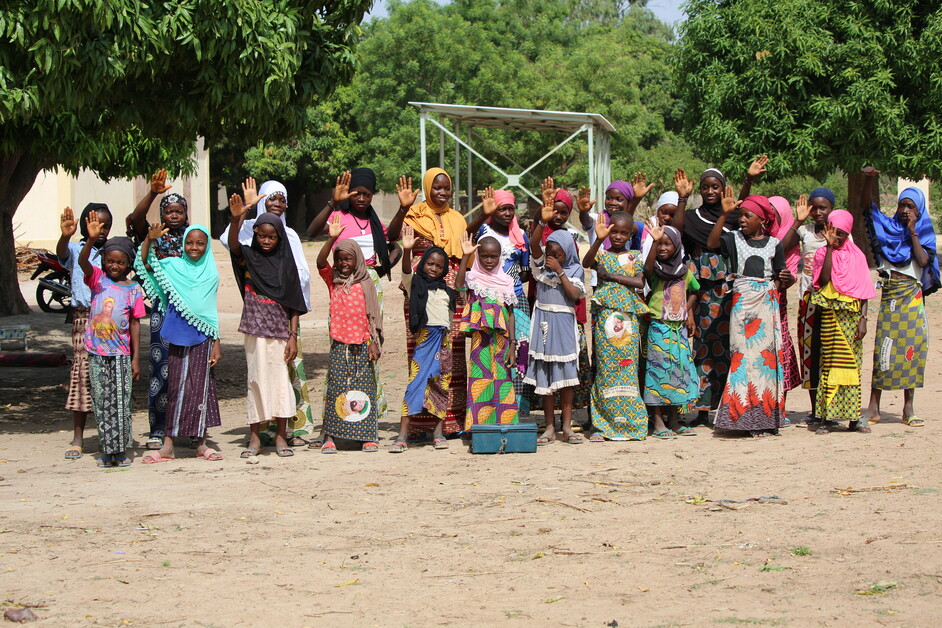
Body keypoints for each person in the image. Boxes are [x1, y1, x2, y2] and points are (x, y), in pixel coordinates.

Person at [305, 168, 404, 444]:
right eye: (356, 193)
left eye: (367, 194)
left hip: (368, 285)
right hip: (342, 286)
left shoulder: (374, 222)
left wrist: (378, 272)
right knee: (339, 359)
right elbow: (312, 232)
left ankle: (363, 421)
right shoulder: (340, 216)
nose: (361, 198)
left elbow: (394, 244)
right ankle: (333, 423)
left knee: (368, 354)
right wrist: (332, 203)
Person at [222, 178, 315, 447]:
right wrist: (240, 216)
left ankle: (282, 437)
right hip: (254, 329)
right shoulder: (249, 257)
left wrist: (293, 336)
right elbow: (234, 245)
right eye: (261, 235)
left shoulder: (286, 266)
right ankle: (254, 438)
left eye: (271, 236)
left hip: (280, 332)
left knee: (280, 383)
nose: (265, 240)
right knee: (255, 380)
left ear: (280, 237)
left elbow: (295, 304)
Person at [682, 156, 767, 426]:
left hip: (729, 287)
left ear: (722, 188)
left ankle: (729, 403)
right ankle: (703, 410)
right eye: (705, 187)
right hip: (700, 289)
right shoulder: (690, 217)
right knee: (704, 347)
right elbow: (677, 230)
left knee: (732, 347)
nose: (710, 191)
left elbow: (736, 206)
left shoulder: (732, 216)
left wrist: (749, 179)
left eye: (715, 187)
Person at [136, 224, 223, 462]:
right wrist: (149, 240)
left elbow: (210, 311)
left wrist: (216, 343)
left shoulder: (211, 273)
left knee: (202, 389)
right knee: (175, 388)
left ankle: (202, 444)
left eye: (200, 243)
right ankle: (168, 446)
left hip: (203, 337)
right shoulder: (172, 266)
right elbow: (144, 264)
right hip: (176, 335)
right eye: (189, 243)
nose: (194, 248)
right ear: (183, 244)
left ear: (207, 247)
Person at [863, 168, 940, 427]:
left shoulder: (923, 233)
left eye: (910, 206)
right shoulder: (887, 230)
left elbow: (923, 260)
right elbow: (868, 208)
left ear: (918, 210)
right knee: (882, 352)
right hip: (891, 298)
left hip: (912, 300)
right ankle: (874, 408)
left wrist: (913, 230)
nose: (905, 210)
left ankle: (908, 409)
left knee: (912, 352)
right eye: (902, 205)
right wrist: (869, 180)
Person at [396, 168, 468, 437]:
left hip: (450, 293)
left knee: (451, 360)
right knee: (420, 360)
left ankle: (450, 423)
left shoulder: (458, 218)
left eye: (446, 188)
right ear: (428, 188)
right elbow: (396, 236)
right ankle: (417, 425)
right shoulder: (414, 215)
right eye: (436, 187)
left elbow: (463, 253)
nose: (442, 192)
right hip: (417, 288)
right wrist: (403, 209)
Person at [707, 189, 786, 437]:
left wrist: (787, 278)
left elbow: (782, 276)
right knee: (742, 358)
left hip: (767, 305)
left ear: (762, 219)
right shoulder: (733, 239)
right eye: (740, 215)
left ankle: (765, 419)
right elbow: (711, 244)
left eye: (747, 215)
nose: (742, 220)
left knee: (765, 360)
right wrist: (724, 214)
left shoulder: (775, 244)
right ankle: (741, 418)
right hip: (742, 305)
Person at [79, 213, 146, 467]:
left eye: (119, 262)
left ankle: (121, 451)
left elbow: (136, 324)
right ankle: (107, 450)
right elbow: (83, 261)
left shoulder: (133, 290)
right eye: (109, 261)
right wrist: (91, 240)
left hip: (120, 355)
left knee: (120, 402)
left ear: (128, 264)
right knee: (101, 400)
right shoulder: (97, 280)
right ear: (104, 262)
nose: (114, 266)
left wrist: (135, 358)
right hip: (97, 353)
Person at [128, 169, 187, 450]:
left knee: (188, 371)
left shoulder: (193, 239)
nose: (174, 215)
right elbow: (135, 220)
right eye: (169, 211)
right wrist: (153, 193)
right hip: (163, 312)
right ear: (163, 213)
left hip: (189, 314)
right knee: (161, 370)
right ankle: (158, 429)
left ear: (186, 215)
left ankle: (186, 428)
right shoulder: (154, 234)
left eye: (179, 211)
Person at [314, 215, 382, 453]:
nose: (343, 263)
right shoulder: (333, 280)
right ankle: (331, 437)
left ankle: (366, 436)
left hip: (363, 344)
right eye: (339, 259)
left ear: (358, 260)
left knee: (365, 389)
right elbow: (320, 261)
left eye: (348, 259)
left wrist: (374, 342)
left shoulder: (366, 283)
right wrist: (332, 239)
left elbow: (373, 317)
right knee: (337, 388)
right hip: (340, 344)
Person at [525, 195, 587, 445]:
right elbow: (533, 245)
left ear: (568, 253)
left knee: (566, 379)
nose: (552, 258)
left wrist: (561, 272)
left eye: (557, 255)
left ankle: (566, 427)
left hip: (563, 327)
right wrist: (542, 220)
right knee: (546, 379)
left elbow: (574, 296)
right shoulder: (541, 268)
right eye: (550, 253)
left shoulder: (573, 270)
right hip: (542, 325)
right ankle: (549, 426)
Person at [582, 212, 648, 441]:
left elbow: (640, 281)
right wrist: (599, 239)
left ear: (631, 234)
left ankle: (631, 424)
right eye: (614, 232)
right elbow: (586, 263)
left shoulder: (635, 257)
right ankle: (602, 425)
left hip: (628, 321)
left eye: (623, 232)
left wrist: (611, 276)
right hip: (604, 321)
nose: (618, 236)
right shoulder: (601, 253)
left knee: (627, 370)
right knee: (606, 371)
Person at [466, 188, 531, 415]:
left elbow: (525, 271)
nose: (506, 213)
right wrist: (484, 214)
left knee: (518, 352)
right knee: (487, 356)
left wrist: (507, 280)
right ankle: (486, 409)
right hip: (484, 298)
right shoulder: (482, 230)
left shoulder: (520, 236)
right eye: (501, 208)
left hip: (514, 299)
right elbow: (465, 234)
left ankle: (516, 408)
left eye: (510, 209)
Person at [394, 225, 458, 452]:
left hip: (443, 341)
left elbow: (459, 285)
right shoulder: (416, 285)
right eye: (430, 263)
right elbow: (406, 273)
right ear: (423, 264)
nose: (434, 268)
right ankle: (402, 435)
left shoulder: (446, 291)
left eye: (439, 266)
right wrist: (407, 251)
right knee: (415, 385)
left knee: (440, 386)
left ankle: (438, 433)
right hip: (424, 340)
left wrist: (467, 255)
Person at [810, 210, 875, 434]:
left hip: (853, 317)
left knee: (853, 367)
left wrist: (863, 320)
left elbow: (864, 290)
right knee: (831, 364)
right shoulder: (821, 253)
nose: (836, 238)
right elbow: (825, 279)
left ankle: (854, 418)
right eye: (832, 232)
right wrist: (828, 248)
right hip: (831, 314)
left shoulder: (858, 256)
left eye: (841, 234)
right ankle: (827, 418)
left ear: (848, 234)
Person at [57, 203, 112, 460]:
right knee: (82, 374)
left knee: (109, 376)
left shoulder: (114, 251)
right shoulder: (77, 248)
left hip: (110, 321)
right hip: (83, 317)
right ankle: (78, 437)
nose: (100, 230)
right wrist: (66, 235)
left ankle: (108, 434)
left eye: (105, 225)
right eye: (95, 224)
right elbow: (62, 254)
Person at [780, 188, 837, 421]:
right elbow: (782, 249)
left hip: (833, 302)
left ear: (832, 208)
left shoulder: (841, 233)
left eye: (823, 207)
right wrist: (798, 220)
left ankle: (831, 408)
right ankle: (815, 410)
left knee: (831, 356)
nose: (818, 212)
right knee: (810, 355)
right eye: (814, 208)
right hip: (808, 301)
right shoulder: (805, 231)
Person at [642, 220, 701, 438]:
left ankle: (674, 421)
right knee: (658, 372)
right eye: (659, 245)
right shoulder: (656, 269)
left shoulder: (684, 271)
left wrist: (687, 308)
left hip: (679, 329)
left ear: (677, 246)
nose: (663, 248)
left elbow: (696, 290)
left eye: (668, 244)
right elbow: (646, 270)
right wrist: (653, 242)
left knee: (677, 373)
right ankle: (658, 421)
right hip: (659, 327)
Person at [456, 231, 518, 428]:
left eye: (494, 256)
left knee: (503, 379)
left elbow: (510, 314)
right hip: (479, 341)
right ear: (478, 256)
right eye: (484, 256)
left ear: (500, 257)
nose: (489, 260)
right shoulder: (473, 278)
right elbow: (458, 285)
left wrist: (513, 346)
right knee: (480, 379)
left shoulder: (506, 282)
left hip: (502, 341)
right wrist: (466, 255)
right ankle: (479, 426)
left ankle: (505, 423)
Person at [768, 196, 802, 418]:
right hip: (754, 301)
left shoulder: (790, 242)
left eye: (775, 214)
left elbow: (789, 276)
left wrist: (797, 224)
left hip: (776, 303)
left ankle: (781, 405)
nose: (770, 218)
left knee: (781, 349)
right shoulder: (756, 236)